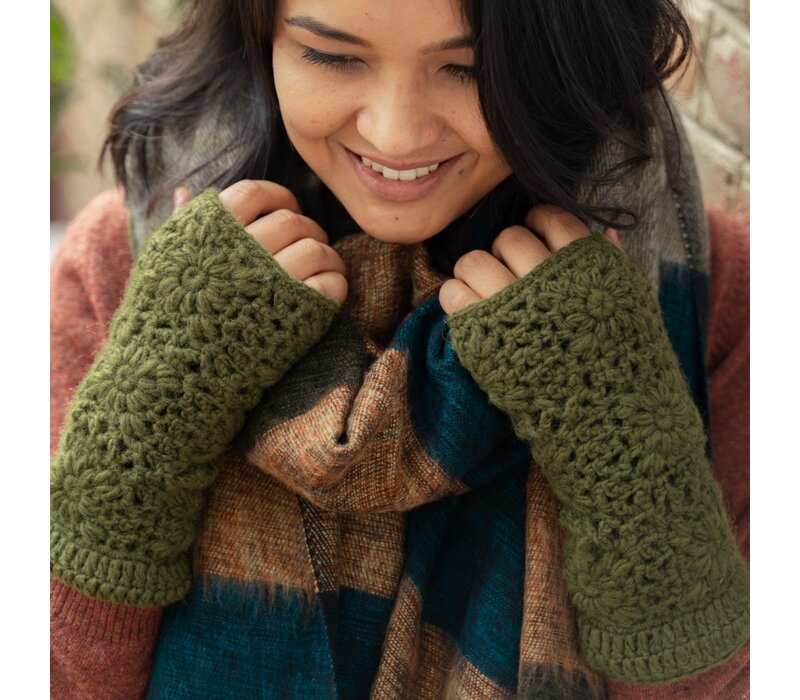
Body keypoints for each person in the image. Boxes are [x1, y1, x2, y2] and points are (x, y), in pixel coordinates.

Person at [50, 0, 750, 697]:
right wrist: (162, 389)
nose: (395, 131)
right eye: (331, 56)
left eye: (468, 69)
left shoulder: (699, 291)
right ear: (261, 35)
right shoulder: (128, 259)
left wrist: (614, 422)